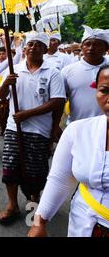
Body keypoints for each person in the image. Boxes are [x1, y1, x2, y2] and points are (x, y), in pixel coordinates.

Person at [28, 65, 109, 237]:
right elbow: (59, 179)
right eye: (105, 90)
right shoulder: (77, 131)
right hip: (82, 225)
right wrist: (38, 223)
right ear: (95, 91)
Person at [0, 32, 66, 224]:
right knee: (10, 167)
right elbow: (2, 96)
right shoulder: (14, 69)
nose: (33, 47)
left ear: (45, 49)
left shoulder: (53, 72)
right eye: (30, 44)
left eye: (38, 45)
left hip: (39, 131)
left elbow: (57, 101)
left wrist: (28, 114)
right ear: (25, 49)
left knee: (35, 172)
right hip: (14, 128)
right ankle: (12, 205)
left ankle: (33, 203)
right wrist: (6, 84)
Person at [61, 26, 109, 123]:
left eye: (97, 45)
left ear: (106, 48)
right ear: (81, 47)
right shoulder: (68, 71)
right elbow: (61, 101)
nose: (91, 48)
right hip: (78, 126)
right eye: (87, 44)